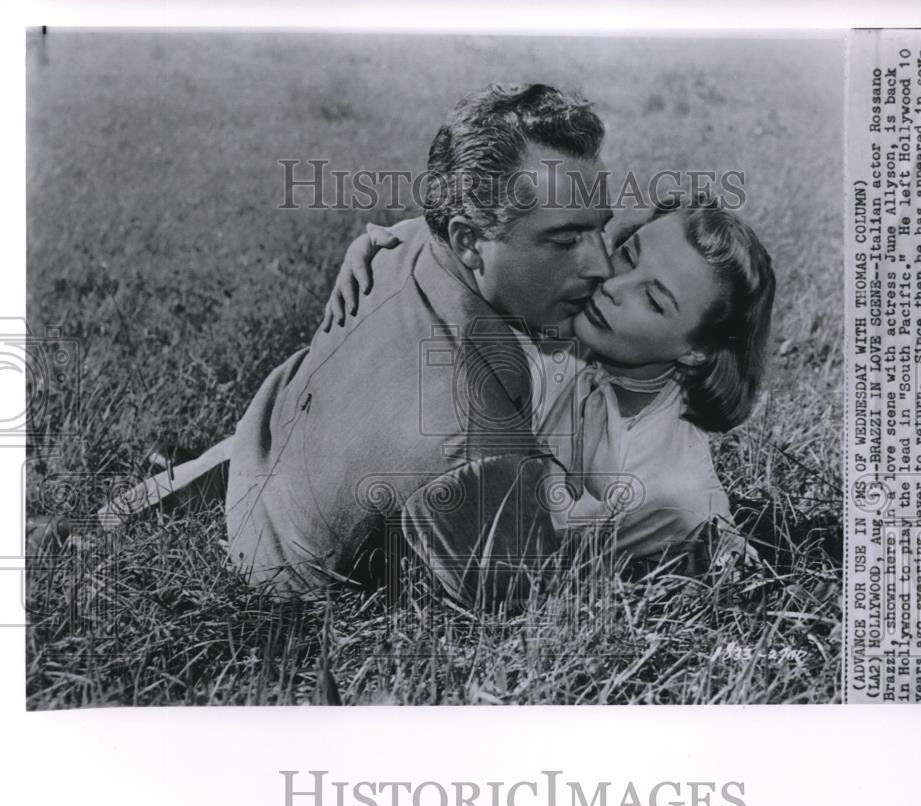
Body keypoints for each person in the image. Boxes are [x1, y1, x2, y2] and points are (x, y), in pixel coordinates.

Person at [102, 83, 615, 608]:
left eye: (601, 229)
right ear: (468, 240)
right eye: (565, 240)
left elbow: (415, 229)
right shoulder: (475, 443)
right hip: (277, 564)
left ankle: (151, 498)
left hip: (268, 437)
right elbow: (527, 599)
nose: (602, 264)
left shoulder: (404, 245)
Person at [328, 197, 775, 575]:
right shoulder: (579, 322)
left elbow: (521, 558)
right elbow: (479, 250)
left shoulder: (667, 488)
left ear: (695, 351)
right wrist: (382, 251)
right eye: (629, 255)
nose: (614, 286)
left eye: (653, 299)